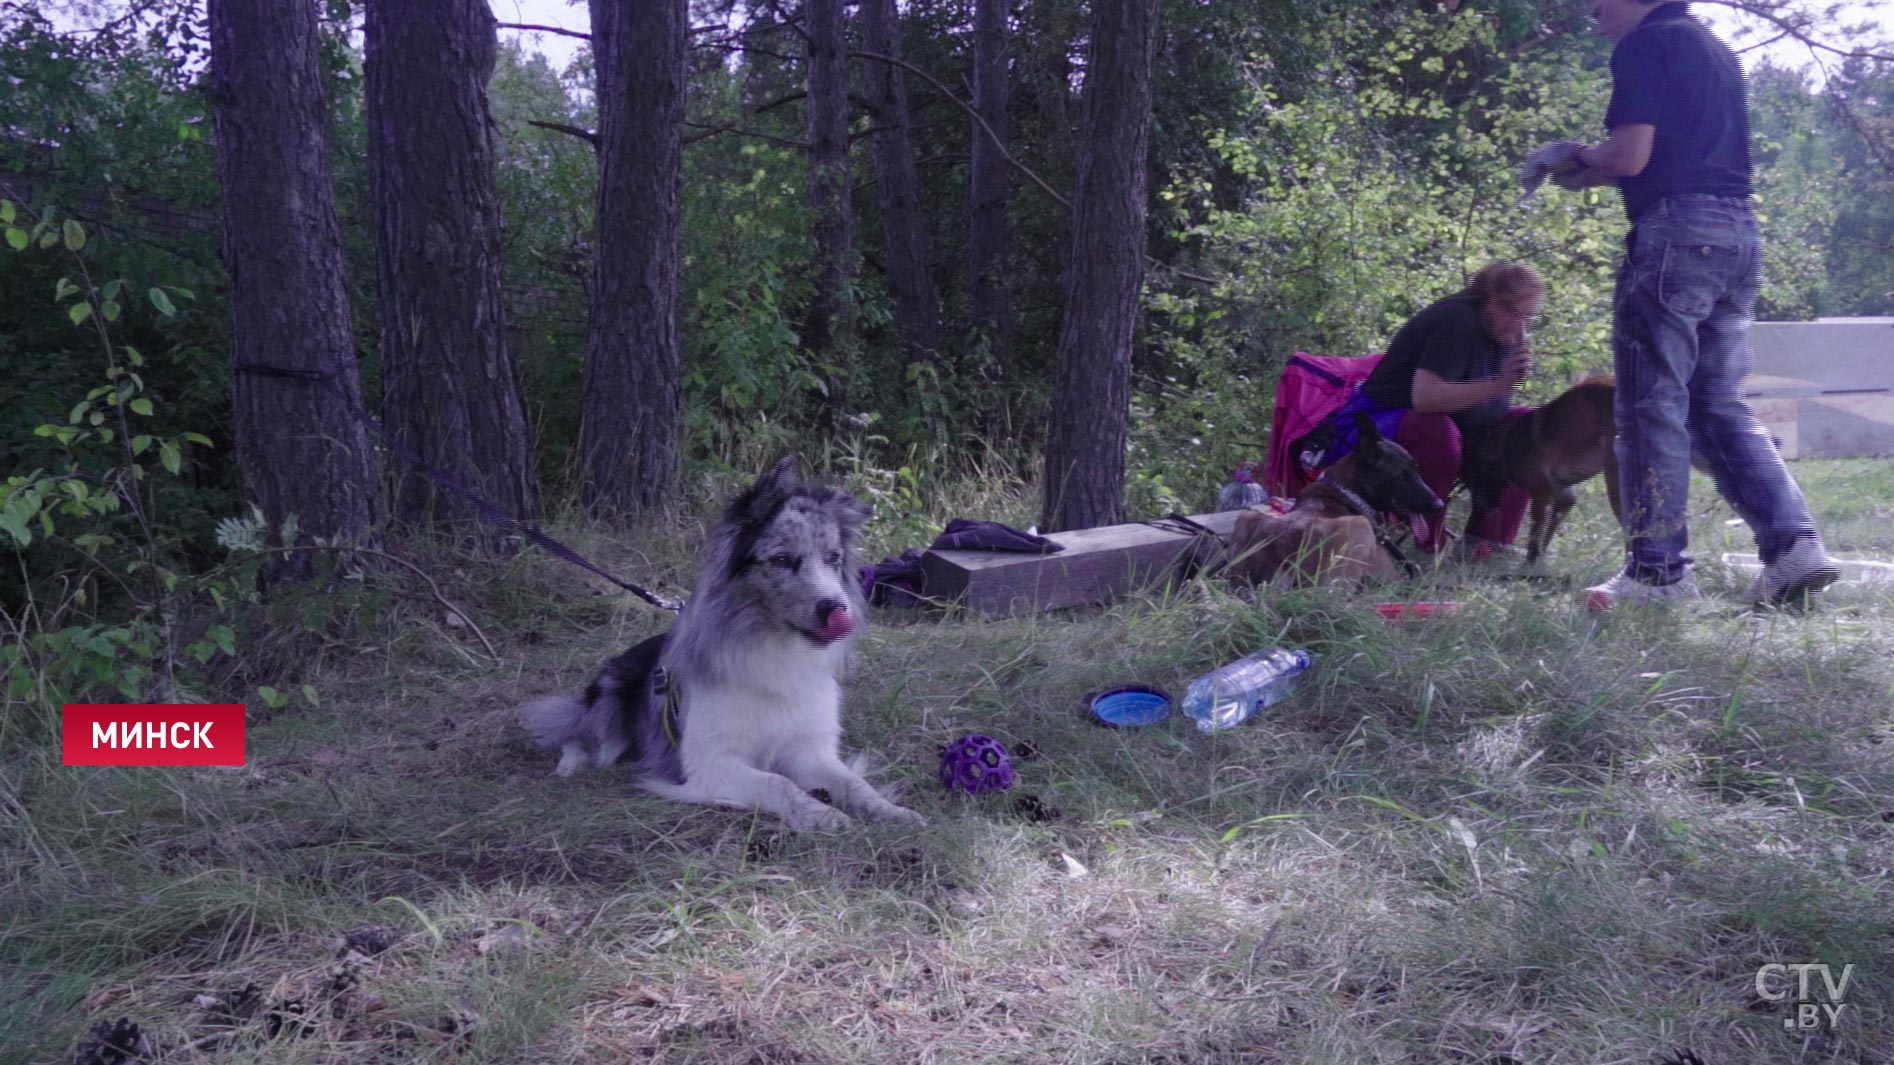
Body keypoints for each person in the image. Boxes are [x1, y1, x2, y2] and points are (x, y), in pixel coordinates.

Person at [1550, 0, 1838, 610]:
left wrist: (1573, 158)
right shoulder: (1712, 47)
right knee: (1715, 406)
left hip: (1676, 234)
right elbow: (1680, 152)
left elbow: (1631, 156)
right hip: (1738, 235)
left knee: (1650, 406)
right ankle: (1794, 547)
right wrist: (1593, 168)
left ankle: (1659, 576)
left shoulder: (1644, 43)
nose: (1589, 12)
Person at [1318, 261, 1541, 560]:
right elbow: (1425, 398)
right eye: (1519, 315)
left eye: (1531, 317)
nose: (1523, 326)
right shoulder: (1457, 320)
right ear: (1493, 302)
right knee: (1437, 430)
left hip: (1456, 428)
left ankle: (1487, 544)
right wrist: (1499, 383)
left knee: (1527, 426)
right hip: (1377, 430)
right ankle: (1429, 546)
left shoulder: (1503, 331)